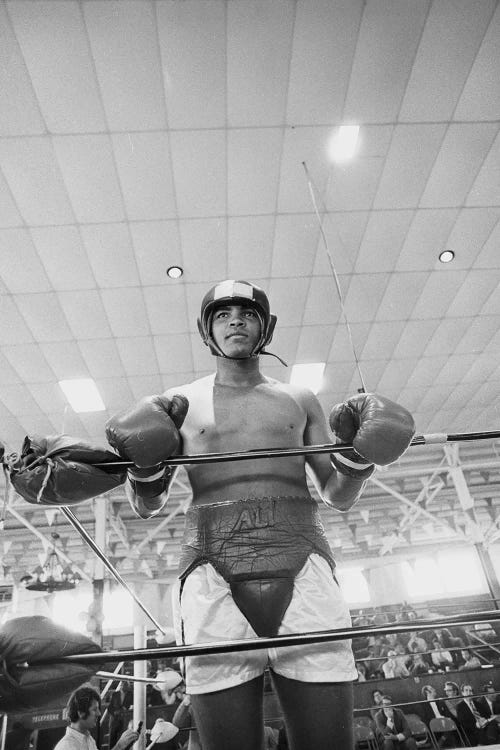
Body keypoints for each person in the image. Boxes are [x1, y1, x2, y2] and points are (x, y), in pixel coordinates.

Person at [105, 279, 415, 750]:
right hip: (211, 567)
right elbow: (148, 506)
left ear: (265, 327)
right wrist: (144, 473)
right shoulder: (179, 402)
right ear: (207, 329)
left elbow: (337, 494)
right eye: (223, 314)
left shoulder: (299, 398)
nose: (235, 321)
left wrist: (359, 461)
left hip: (304, 556)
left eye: (247, 314)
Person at [54, 684, 140, 750]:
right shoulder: (67, 746)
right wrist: (119, 746)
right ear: (81, 713)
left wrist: (121, 746)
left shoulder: (89, 739)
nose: (99, 714)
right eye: (94, 709)